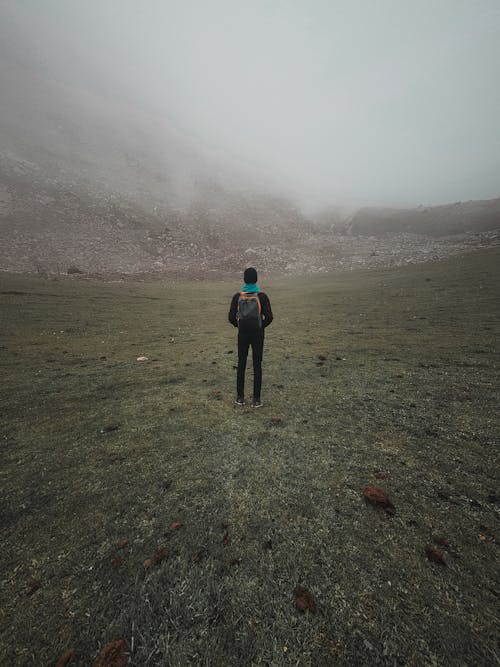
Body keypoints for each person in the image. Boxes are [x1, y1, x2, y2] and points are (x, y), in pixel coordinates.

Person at [228, 267, 273, 407]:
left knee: (241, 364)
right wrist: (260, 326)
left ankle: (240, 398)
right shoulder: (262, 296)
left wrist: (239, 326)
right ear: (256, 279)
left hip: (242, 334)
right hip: (258, 335)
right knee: (257, 365)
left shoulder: (237, 296)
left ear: (244, 279)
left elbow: (230, 318)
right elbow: (270, 317)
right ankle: (256, 400)